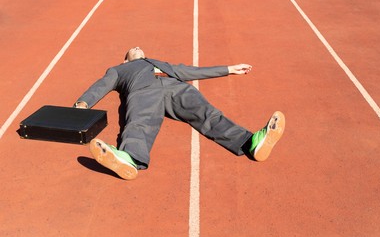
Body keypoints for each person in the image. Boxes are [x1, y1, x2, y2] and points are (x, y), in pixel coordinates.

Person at [74, 47, 285, 180]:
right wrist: (83, 103)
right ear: (126, 60)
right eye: (132, 49)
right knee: (140, 121)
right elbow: (102, 85)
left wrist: (228, 69)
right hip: (142, 91)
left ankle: (251, 143)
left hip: (177, 89)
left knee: (208, 115)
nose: (137, 48)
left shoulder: (160, 63)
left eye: (139, 48)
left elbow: (190, 71)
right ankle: (128, 158)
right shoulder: (118, 70)